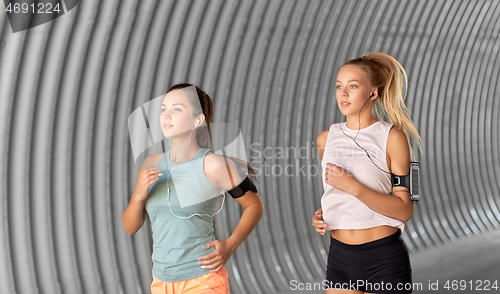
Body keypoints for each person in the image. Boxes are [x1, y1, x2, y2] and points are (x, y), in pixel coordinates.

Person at [123, 83, 264, 294]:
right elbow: (130, 227)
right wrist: (138, 196)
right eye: (163, 109)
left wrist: (230, 245)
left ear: (198, 120)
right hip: (161, 282)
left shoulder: (214, 164)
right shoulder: (151, 163)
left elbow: (254, 205)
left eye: (176, 109)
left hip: (203, 279)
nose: (166, 115)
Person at [311, 53, 422, 294]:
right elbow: (339, 197)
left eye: (353, 86)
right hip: (340, 258)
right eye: (339, 86)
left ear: (373, 93)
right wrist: (324, 214)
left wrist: (354, 187)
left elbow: (405, 209)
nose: (343, 93)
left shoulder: (393, 137)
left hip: (383, 259)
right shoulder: (325, 139)